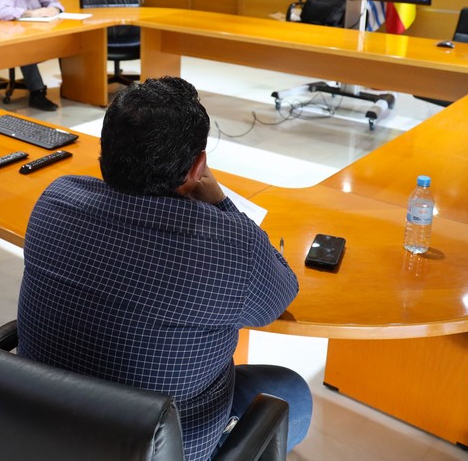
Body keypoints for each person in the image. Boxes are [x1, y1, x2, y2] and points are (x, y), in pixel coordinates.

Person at [17, 77, 312, 460]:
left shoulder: (55, 199)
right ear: (198, 168)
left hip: (40, 426)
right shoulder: (229, 248)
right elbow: (281, 293)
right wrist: (222, 205)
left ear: (104, 156)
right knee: (291, 392)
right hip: (163, 448)